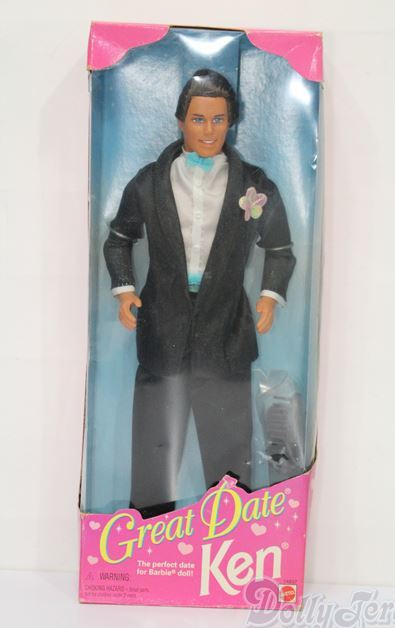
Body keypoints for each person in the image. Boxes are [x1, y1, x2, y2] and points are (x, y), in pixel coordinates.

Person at [104, 69, 296, 516]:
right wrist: (124, 291)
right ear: (180, 121)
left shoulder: (254, 185)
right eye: (198, 119)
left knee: (229, 449)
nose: (209, 130)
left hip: (225, 330)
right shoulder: (150, 181)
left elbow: (279, 249)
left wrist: (269, 296)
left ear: (230, 122)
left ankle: (230, 530)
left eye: (218, 119)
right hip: (162, 330)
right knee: (154, 447)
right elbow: (119, 238)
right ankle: (149, 531)